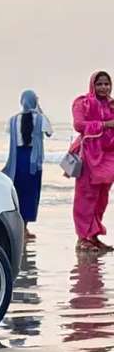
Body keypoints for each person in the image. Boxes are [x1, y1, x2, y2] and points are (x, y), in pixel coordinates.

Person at [71, 71, 114, 252]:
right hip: (89, 154)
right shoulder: (83, 103)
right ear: (92, 85)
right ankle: (82, 238)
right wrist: (105, 124)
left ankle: (94, 236)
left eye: (107, 84)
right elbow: (79, 125)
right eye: (100, 84)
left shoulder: (112, 105)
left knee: (101, 198)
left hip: (109, 156)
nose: (103, 87)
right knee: (86, 196)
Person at [3, 90, 52, 237]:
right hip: (32, 161)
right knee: (31, 193)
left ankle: (18, 228)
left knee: (18, 192)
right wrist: (40, 109)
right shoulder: (41, 119)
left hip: (17, 161)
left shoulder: (12, 120)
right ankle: (24, 228)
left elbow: (9, 134)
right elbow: (49, 132)